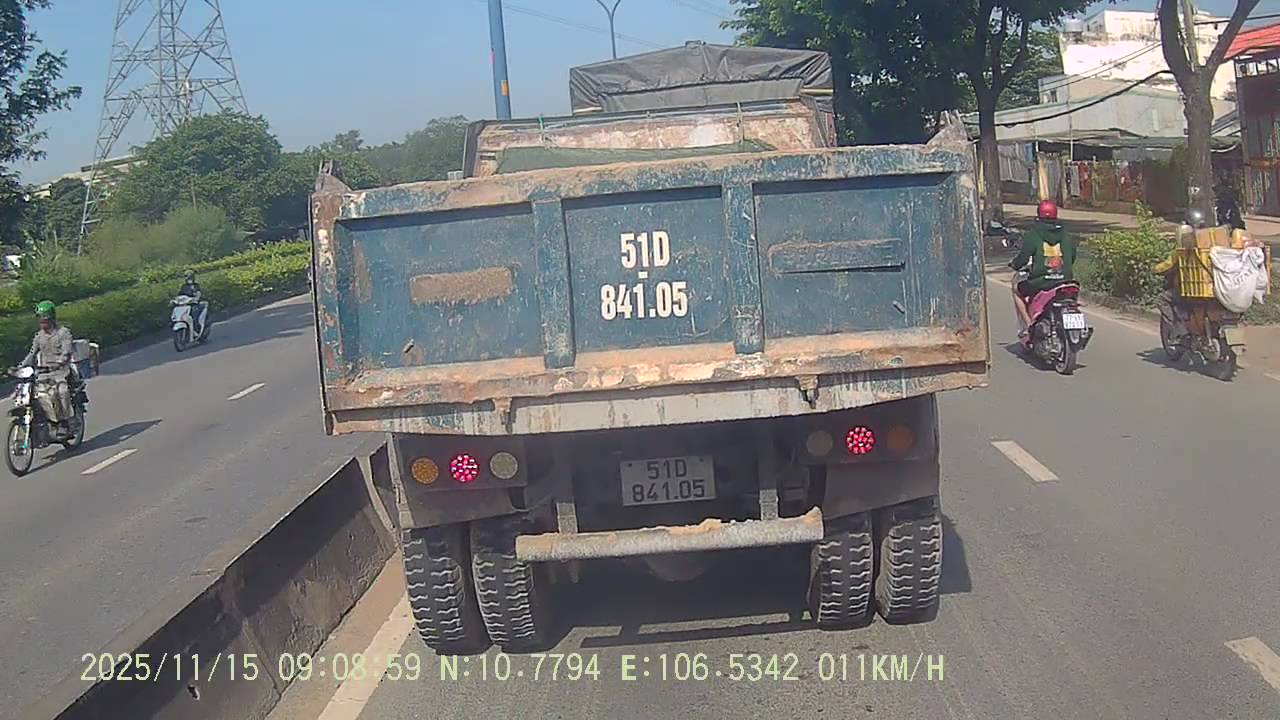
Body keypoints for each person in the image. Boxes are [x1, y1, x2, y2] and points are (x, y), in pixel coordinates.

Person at [1009, 200, 1078, 342]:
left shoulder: (1033, 235)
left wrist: (1015, 265)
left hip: (1042, 282)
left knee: (1016, 289)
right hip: (1066, 280)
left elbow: (1023, 258)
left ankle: (1029, 325)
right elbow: (1072, 257)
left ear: (1038, 215)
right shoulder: (1067, 235)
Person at [18, 301, 75, 435]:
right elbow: (32, 354)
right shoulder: (39, 336)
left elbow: (66, 352)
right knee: (36, 395)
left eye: (45, 319)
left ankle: (64, 422)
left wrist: (60, 362)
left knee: (61, 392)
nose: (42, 323)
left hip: (61, 372)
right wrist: (19, 367)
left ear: (52, 319)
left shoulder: (63, 333)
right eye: (40, 319)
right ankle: (44, 421)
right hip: (43, 374)